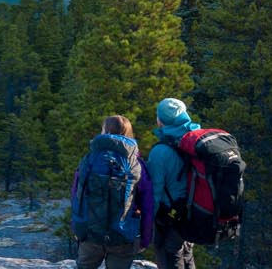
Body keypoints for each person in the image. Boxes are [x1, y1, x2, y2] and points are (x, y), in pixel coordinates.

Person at [71, 115, 154, 269]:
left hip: (90, 234)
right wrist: (145, 238)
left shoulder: (89, 159)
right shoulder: (137, 165)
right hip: (123, 235)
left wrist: (77, 227)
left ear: (105, 131)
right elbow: (148, 205)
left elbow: (77, 195)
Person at [148, 98, 200, 269]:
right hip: (194, 210)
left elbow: (154, 191)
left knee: (170, 254)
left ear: (160, 119)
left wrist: (148, 222)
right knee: (186, 253)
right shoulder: (194, 139)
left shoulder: (160, 151)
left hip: (170, 215)